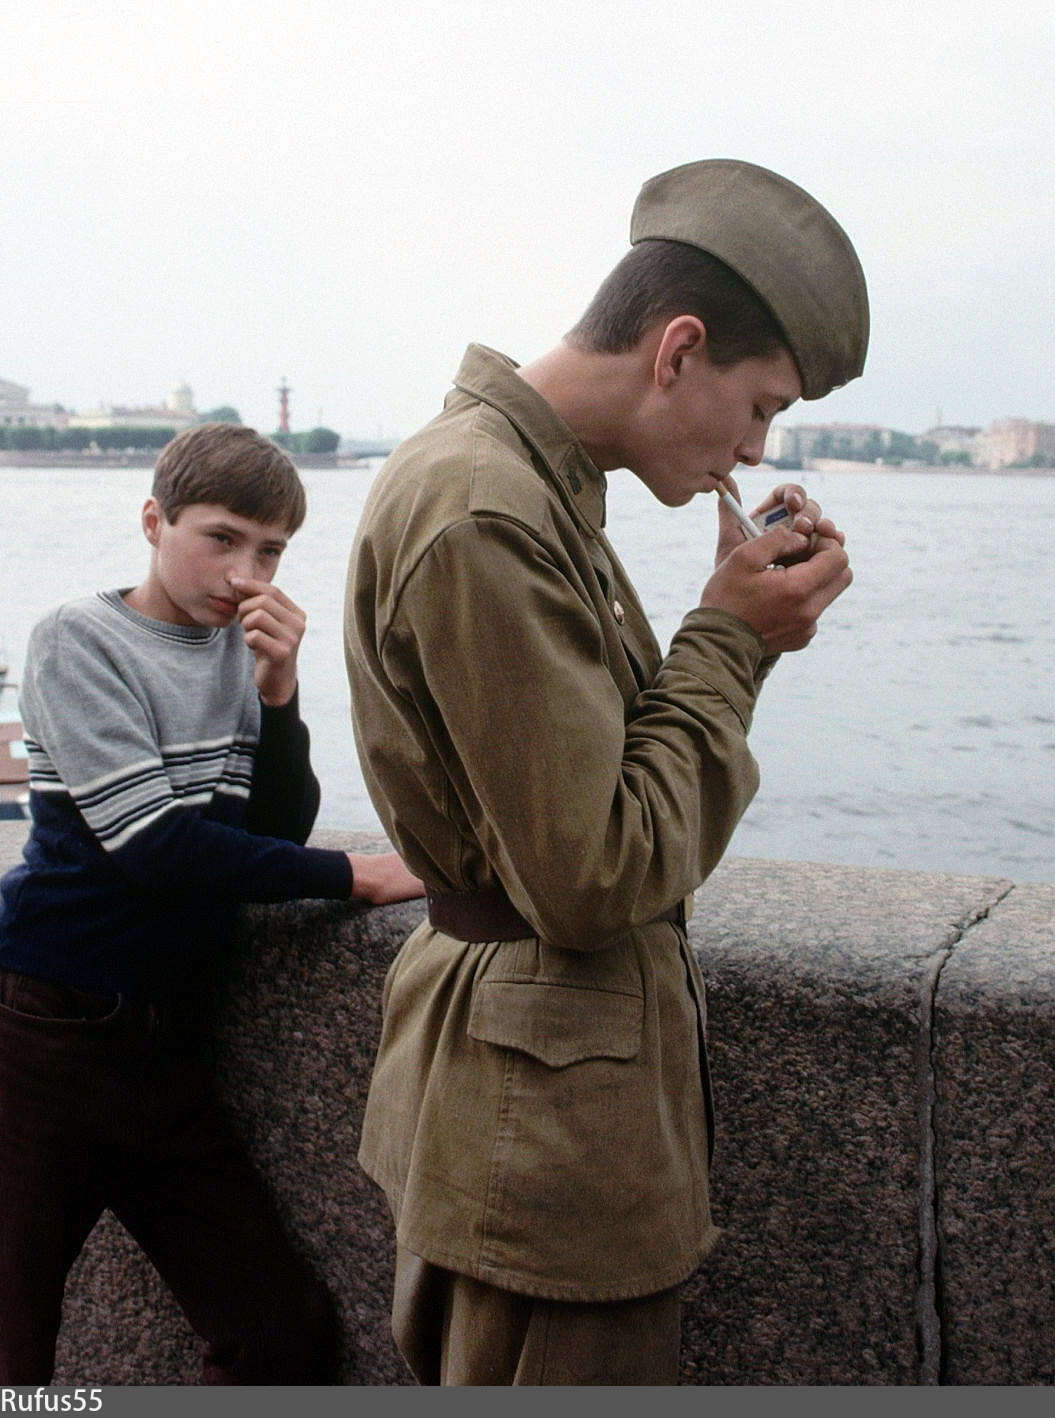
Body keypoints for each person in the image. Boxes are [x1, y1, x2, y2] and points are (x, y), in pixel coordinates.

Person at [343, 158, 867, 1385]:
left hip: (520, 1099)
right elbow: (595, 870)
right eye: (758, 405)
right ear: (675, 347)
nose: (753, 447)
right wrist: (733, 636)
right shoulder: (486, 507)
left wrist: (736, 624)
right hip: (543, 1133)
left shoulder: (518, 481)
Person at [0, 421, 425, 1385]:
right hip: (40, 1025)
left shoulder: (234, 654)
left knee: (280, 1331)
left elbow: (271, 837)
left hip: (166, 1048)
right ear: (154, 520)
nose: (246, 572)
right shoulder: (78, 639)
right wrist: (355, 875)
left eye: (271, 549)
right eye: (222, 537)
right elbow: (153, 845)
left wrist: (280, 693)